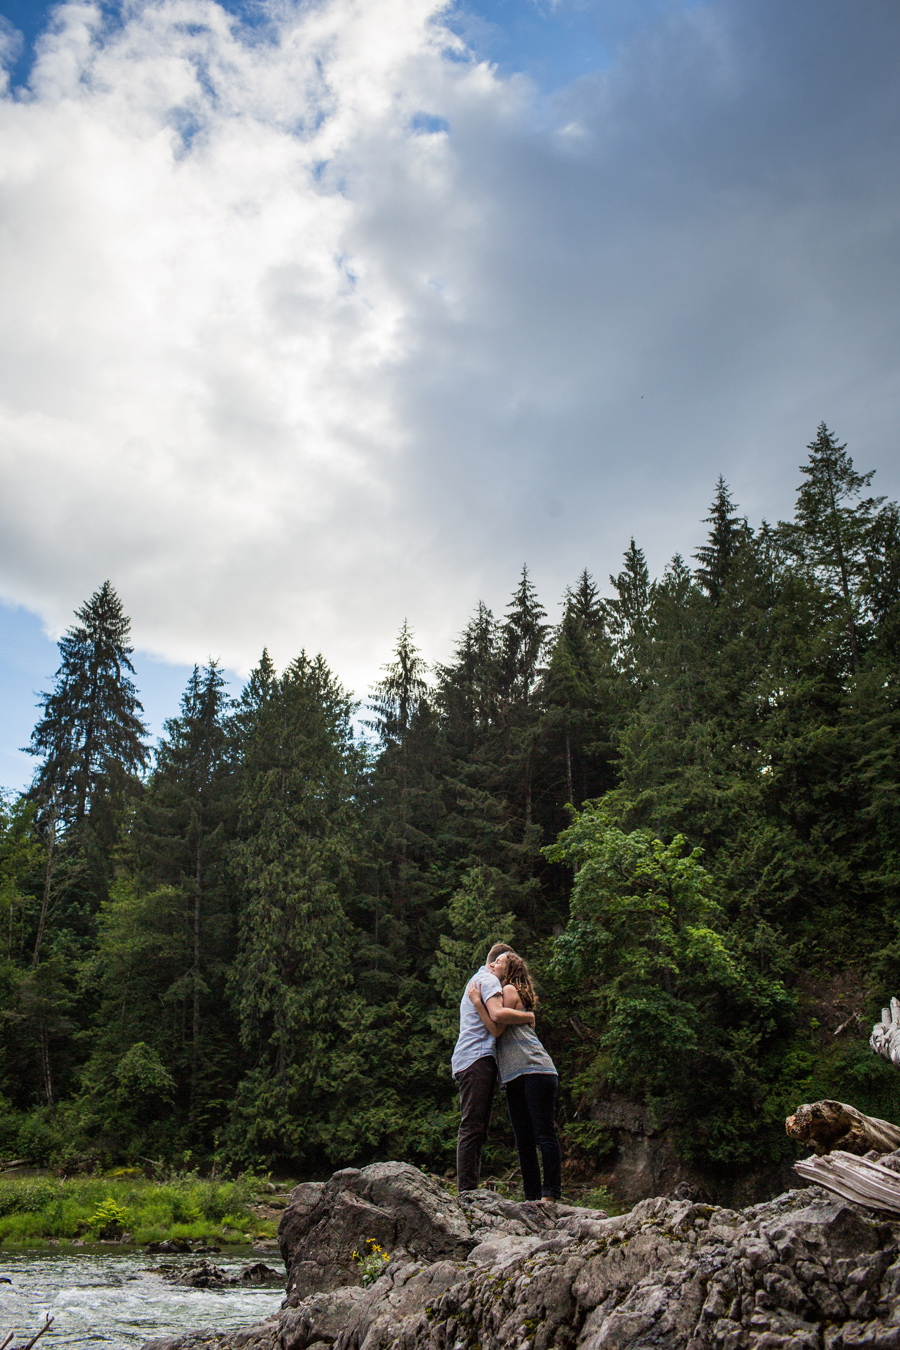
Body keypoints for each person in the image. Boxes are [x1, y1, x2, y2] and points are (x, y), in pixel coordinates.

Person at [468, 952, 562, 1201]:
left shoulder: (508, 989)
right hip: (515, 1075)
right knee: (524, 1140)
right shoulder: (505, 991)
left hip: (534, 1069)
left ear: (509, 970)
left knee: (542, 1135)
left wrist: (478, 1003)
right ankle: (533, 1198)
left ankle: (549, 1194)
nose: (493, 964)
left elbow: (497, 1026)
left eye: (499, 961)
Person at [451, 942, 536, 1193]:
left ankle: (469, 1190)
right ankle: (467, 1192)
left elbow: (494, 1024)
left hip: (473, 1058)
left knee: (476, 1127)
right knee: (472, 1127)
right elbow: (498, 1017)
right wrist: (528, 1016)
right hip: (476, 1058)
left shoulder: (480, 979)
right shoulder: (488, 982)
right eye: (500, 962)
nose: (499, 966)